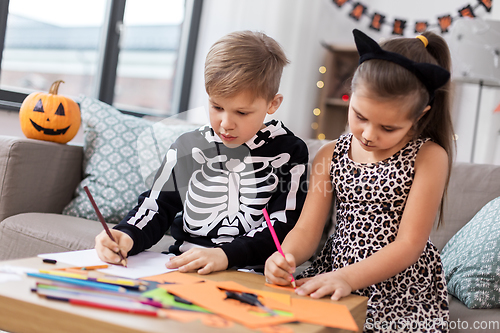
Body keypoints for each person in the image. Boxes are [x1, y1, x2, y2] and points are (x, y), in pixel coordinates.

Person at [265, 29, 453, 332]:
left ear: (420, 115)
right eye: (360, 116)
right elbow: (307, 230)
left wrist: (348, 278)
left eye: (388, 127)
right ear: (350, 96)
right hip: (334, 275)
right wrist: (284, 256)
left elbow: (409, 244)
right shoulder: (329, 155)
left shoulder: (429, 157)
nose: (368, 134)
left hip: (399, 291)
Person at [95, 30, 309, 275]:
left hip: (250, 273)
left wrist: (226, 255)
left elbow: (284, 225)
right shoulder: (187, 146)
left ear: (273, 104)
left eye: (242, 112)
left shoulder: (290, 152)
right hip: (182, 266)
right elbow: (156, 206)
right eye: (217, 106)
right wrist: (126, 234)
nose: (226, 123)